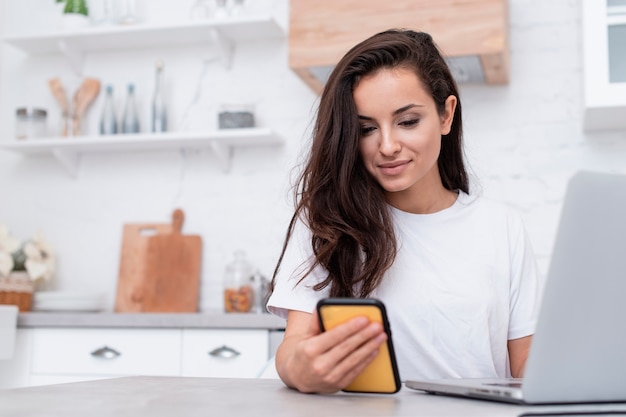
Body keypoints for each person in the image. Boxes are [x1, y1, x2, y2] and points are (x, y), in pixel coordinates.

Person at [266, 29, 540, 394]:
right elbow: (293, 347)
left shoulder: (501, 227)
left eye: (408, 122)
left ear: (446, 115)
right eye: (366, 129)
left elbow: (526, 364)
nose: (388, 146)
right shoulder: (328, 221)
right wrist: (301, 370)